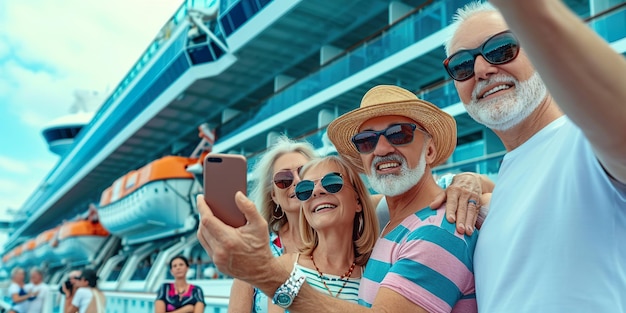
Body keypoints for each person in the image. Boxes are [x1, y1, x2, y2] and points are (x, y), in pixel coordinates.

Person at [197, 84, 479, 312]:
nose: (381, 148)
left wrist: (468, 182)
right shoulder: (390, 222)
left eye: (399, 134)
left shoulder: (439, 228)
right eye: (367, 141)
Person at [442, 1, 626, 311]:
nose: (481, 70)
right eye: (461, 65)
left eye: (502, 47)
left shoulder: (586, 142)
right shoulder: (502, 190)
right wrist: (472, 180)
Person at [268, 155, 379, 312]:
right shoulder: (284, 268)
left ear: (358, 202)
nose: (317, 191)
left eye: (332, 182)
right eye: (305, 189)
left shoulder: (373, 273)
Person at [228, 136, 319, 313]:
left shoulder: (340, 241)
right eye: (284, 179)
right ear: (274, 196)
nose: (296, 181)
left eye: (304, 172)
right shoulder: (255, 252)